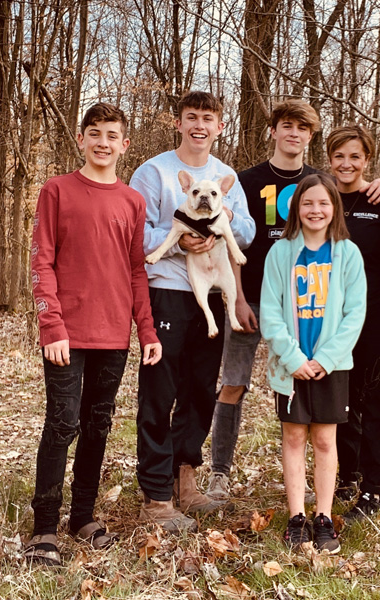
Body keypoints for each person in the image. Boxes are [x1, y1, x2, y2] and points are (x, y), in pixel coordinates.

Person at [206, 100, 380, 501]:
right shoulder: (246, 181)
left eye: (302, 128)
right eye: (286, 126)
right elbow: (230, 240)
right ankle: (219, 472)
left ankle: (318, 484)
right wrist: (235, 296)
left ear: (311, 136)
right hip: (252, 298)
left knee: (314, 389)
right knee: (234, 383)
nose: (294, 134)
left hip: (304, 305)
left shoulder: (319, 182)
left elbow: (351, 199)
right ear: (272, 131)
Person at [26, 103, 162, 566]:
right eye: (95, 133)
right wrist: (52, 326)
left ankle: (81, 516)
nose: (103, 142)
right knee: (62, 422)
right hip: (66, 334)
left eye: (112, 135)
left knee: (98, 425)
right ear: (81, 139)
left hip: (113, 336)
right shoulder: (57, 190)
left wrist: (146, 331)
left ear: (125, 144)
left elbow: (136, 271)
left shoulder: (132, 201)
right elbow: (41, 260)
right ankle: (44, 526)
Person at [130, 91, 255, 533]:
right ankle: (156, 494)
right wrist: (178, 237)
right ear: (178, 123)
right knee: (160, 390)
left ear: (220, 126)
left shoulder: (225, 177)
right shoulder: (154, 172)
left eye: (208, 118)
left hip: (212, 297)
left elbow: (246, 229)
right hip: (166, 292)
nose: (199, 125)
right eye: (191, 117)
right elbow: (134, 230)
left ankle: (187, 479)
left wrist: (219, 226)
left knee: (201, 389)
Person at [260, 173, 366, 553]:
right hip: (291, 367)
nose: (315, 210)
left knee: (324, 439)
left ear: (334, 208)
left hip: (331, 366)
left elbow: (355, 314)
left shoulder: (347, 253)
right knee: (293, 438)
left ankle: (323, 516)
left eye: (323, 203)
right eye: (308, 203)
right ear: (296, 208)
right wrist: (293, 358)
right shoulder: (281, 253)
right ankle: (296, 517)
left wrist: (325, 358)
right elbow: (270, 313)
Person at [326, 126, 380, 521]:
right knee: (340, 398)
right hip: (330, 315)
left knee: (375, 400)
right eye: (340, 156)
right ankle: (347, 475)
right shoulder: (320, 196)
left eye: (355, 156)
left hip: (377, 311)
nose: (347, 164)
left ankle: (372, 490)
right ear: (329, 159)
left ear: (367, 160)